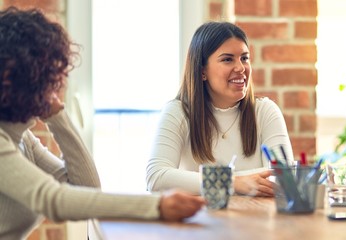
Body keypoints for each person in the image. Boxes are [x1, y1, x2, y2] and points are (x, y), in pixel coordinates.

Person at [0, 7, 205, 239]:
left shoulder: (24, 138)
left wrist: (58, 117)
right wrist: (155, 207)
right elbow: (52, 199)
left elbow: (87, 187)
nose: (57, 84)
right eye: (49, 76)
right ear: (18, 78)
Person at [146, 21, 294, 197]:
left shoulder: (265, 111)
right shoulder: (178, 112)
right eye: (227, 59)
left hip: (255, 220)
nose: (240, 68)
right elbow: (156, 178)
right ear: (202, 71)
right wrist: (233, 182)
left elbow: (285, 179)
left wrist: (223, 181)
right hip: (200, 221)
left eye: (244, 58)